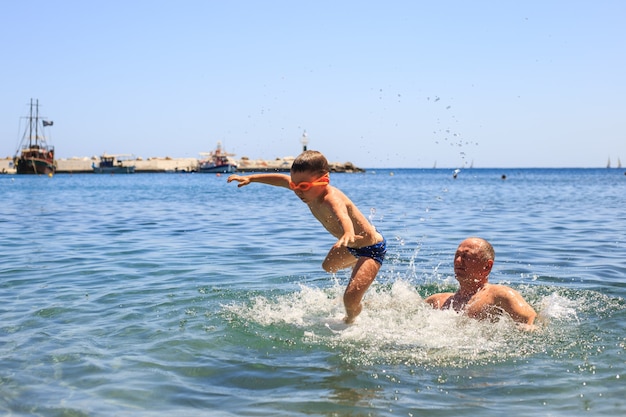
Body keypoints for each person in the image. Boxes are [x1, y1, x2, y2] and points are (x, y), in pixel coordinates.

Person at [227, 150, 386, 324]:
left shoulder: (331, 199)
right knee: (328, 267)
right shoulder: (307, 189)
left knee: (349, 299)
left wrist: (348, 233)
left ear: (324, 181)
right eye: (295, 186)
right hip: (351, 245)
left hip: (370, 248)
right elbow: (281, 180)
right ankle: (358, 271)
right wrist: (252, 178)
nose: (297, 191)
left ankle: (351, 319)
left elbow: (343, 216)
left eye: (303, 187)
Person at [425, 237, 537, 327]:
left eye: (466, 256)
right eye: (457, 255)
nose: (458, 261)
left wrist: (529, 327)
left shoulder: (499, 295)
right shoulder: (437, 301)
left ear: (487, 266)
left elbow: (531, 320)